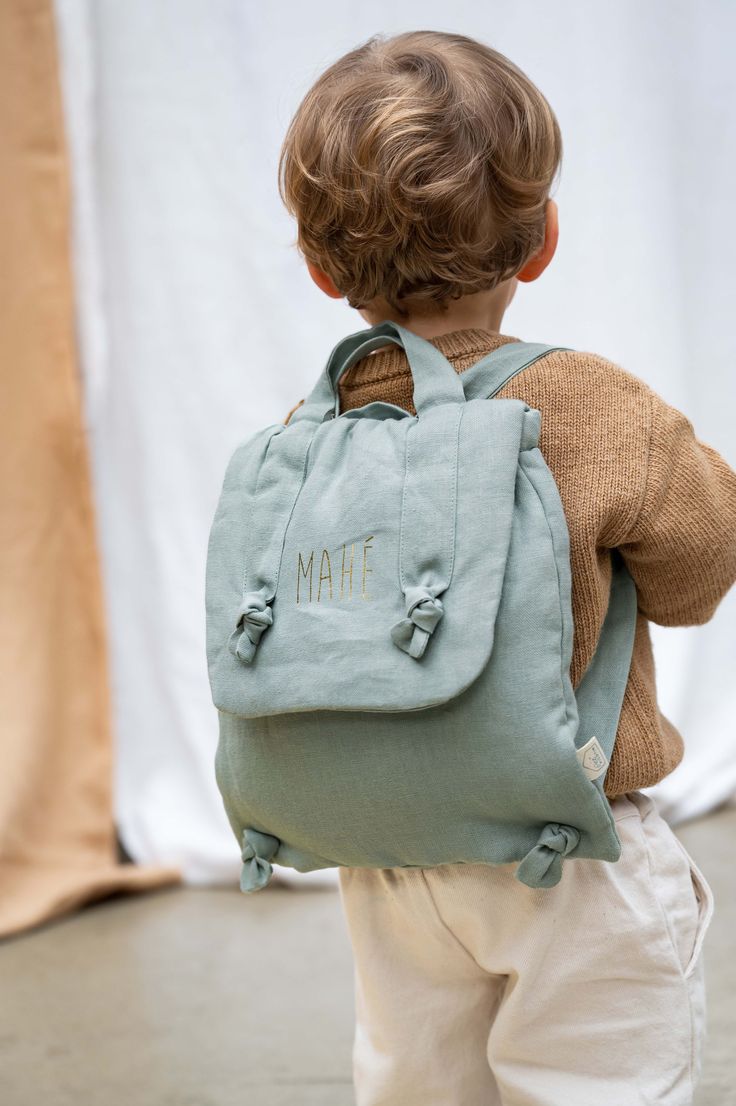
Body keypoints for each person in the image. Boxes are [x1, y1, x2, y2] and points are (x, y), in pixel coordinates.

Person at [277, 30, 736, 1105]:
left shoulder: (302, 431)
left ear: (320, 268)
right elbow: (697, 575)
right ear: (541, 239)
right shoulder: (592, 406)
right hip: (570, 850)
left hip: (386, 853)